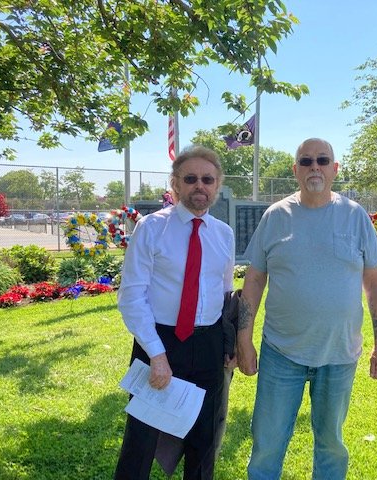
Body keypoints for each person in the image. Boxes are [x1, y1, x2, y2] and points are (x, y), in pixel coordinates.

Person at [236, 137, 377, 480]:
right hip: (281, 352)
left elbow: (374, 283)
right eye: (306, 161)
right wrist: (244, 340)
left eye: (322, 160)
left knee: (331, 444)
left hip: (339, 353)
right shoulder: (276, 216)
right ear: (296, 170)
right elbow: (255, 279)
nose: (314, 167)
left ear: (335, 169)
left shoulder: (355, 216)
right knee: (267, 444)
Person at [114, 145, 235, 480]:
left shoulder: (223, 234)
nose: (200, 186)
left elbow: (225, 293)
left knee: (204, 440)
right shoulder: (152, 228)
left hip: (208, 344)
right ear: (176, 184)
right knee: (141, 439)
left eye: (208, 179)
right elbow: (132, 296)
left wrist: (229, 345)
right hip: (160, 341)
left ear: (217, 185)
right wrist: (157, 354)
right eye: (191, 178)